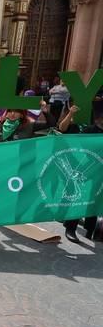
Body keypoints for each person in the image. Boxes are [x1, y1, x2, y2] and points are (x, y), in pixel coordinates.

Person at [57, 104, 103, 243]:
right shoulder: (89, 131)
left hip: (100, 172)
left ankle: (90, 229)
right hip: (86, 169)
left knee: (95, 199)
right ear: (98, 119)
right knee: (80, 197)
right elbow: (76, 146)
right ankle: (70, 228)